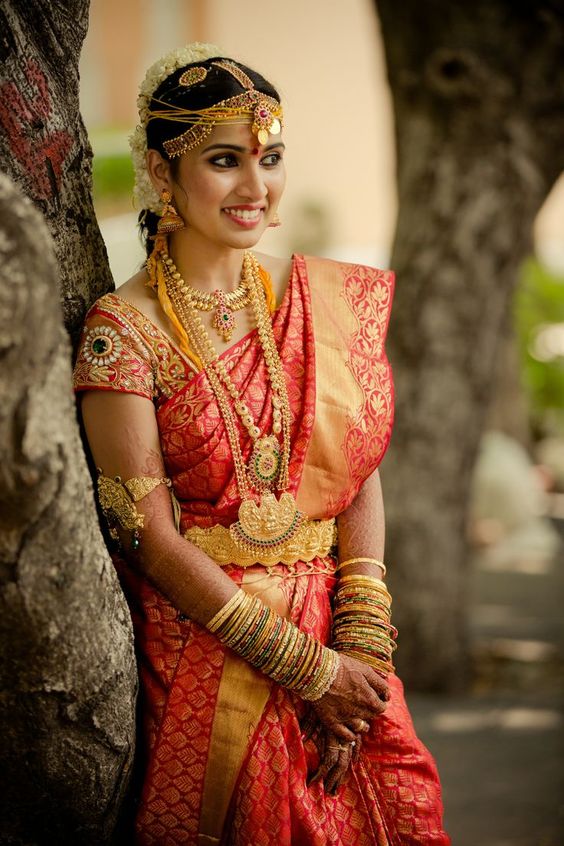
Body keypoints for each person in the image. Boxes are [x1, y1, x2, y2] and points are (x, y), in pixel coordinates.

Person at [73, 42, 449, 846]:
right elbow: (148, 536)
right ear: (160, 172)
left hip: (341, 641)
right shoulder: (123, 333)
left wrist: (361, 648)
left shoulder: (312, 296)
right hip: (212, 650)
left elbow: (354, 466)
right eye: (224, 160)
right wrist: (306, 671)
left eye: (270, 158)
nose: (256, 187)